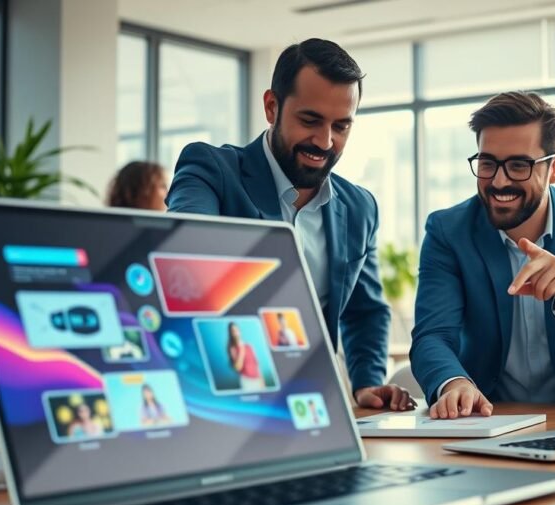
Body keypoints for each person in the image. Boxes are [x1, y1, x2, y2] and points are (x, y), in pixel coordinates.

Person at [167, 38, 413, 411]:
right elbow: (184, 249)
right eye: (310, 120)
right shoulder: (212, 170)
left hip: (311, 404)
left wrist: (367, 381)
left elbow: (366, 309)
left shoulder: (359, 207)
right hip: (215, 395)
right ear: (272, 106)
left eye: (341, 126)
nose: (325, 141)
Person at [411, 92, 555, 420]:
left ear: (554, 168)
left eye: (518, 165)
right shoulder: (449, 232)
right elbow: (433, 335)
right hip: (490, 421)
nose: (499, 181)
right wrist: (454, 382)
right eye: (487, 164)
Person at [227, 322, 265, 390]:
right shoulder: (233, 348)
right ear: (231, 334)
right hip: (247, 381)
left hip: (257, 380)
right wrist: (241, 349)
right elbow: (238, 367)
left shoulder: (249, 346)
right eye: (233, 331)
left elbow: (256, 364)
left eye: (237, 330)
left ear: (240, 331)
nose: (236, 332)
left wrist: (262, 381)